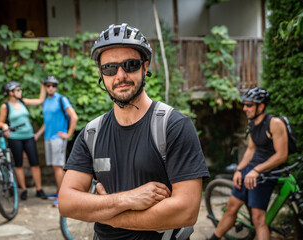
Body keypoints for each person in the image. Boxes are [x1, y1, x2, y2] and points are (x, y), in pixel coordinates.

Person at [59, 23, 209, 240]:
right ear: (101, 74)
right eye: (109, 68)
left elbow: (186, 211)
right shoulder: (91, 133)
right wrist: (128, 199)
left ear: (145, 67)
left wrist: (110, 217)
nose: (120, 75)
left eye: (130, 65)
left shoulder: (173, 125)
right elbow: (66, 202)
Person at [207, 87, 289, 240]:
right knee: (231, 208)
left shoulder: (274, 123)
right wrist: (239, 169)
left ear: (261, 106)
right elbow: (251, 150)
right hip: (250, 171)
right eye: (245, 104)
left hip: (265, 173)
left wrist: (257, 170)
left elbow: (281, 155)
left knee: (258, 219)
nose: (245, 108)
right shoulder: (252, 124)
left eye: (249, 105)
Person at [0, 80, 47, 200]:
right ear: (11, 93)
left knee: (34, 164)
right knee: (18, 165)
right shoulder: (5, 106)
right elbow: (0, 122)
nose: (21, 91)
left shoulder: (23, 102)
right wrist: (4, 126)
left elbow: (40, 100)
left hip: (29, 137)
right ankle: (23, 190)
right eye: (18, 90)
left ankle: (39, 189)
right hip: (15, 138)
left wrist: (43, 85)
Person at [34, 76, 78, 207]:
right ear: (45, 87)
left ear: (56, 87)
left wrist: (68, 134)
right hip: (48, 138)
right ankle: (60, 191)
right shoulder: (46, 101)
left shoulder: (61, 99)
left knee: (58, 167)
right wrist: (38, 134)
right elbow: (46, 122)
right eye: (48, 85)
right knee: (55, 167)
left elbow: (74, 117)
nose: (51, 87)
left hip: (58, 139)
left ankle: (63, 196)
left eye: (53, 85)